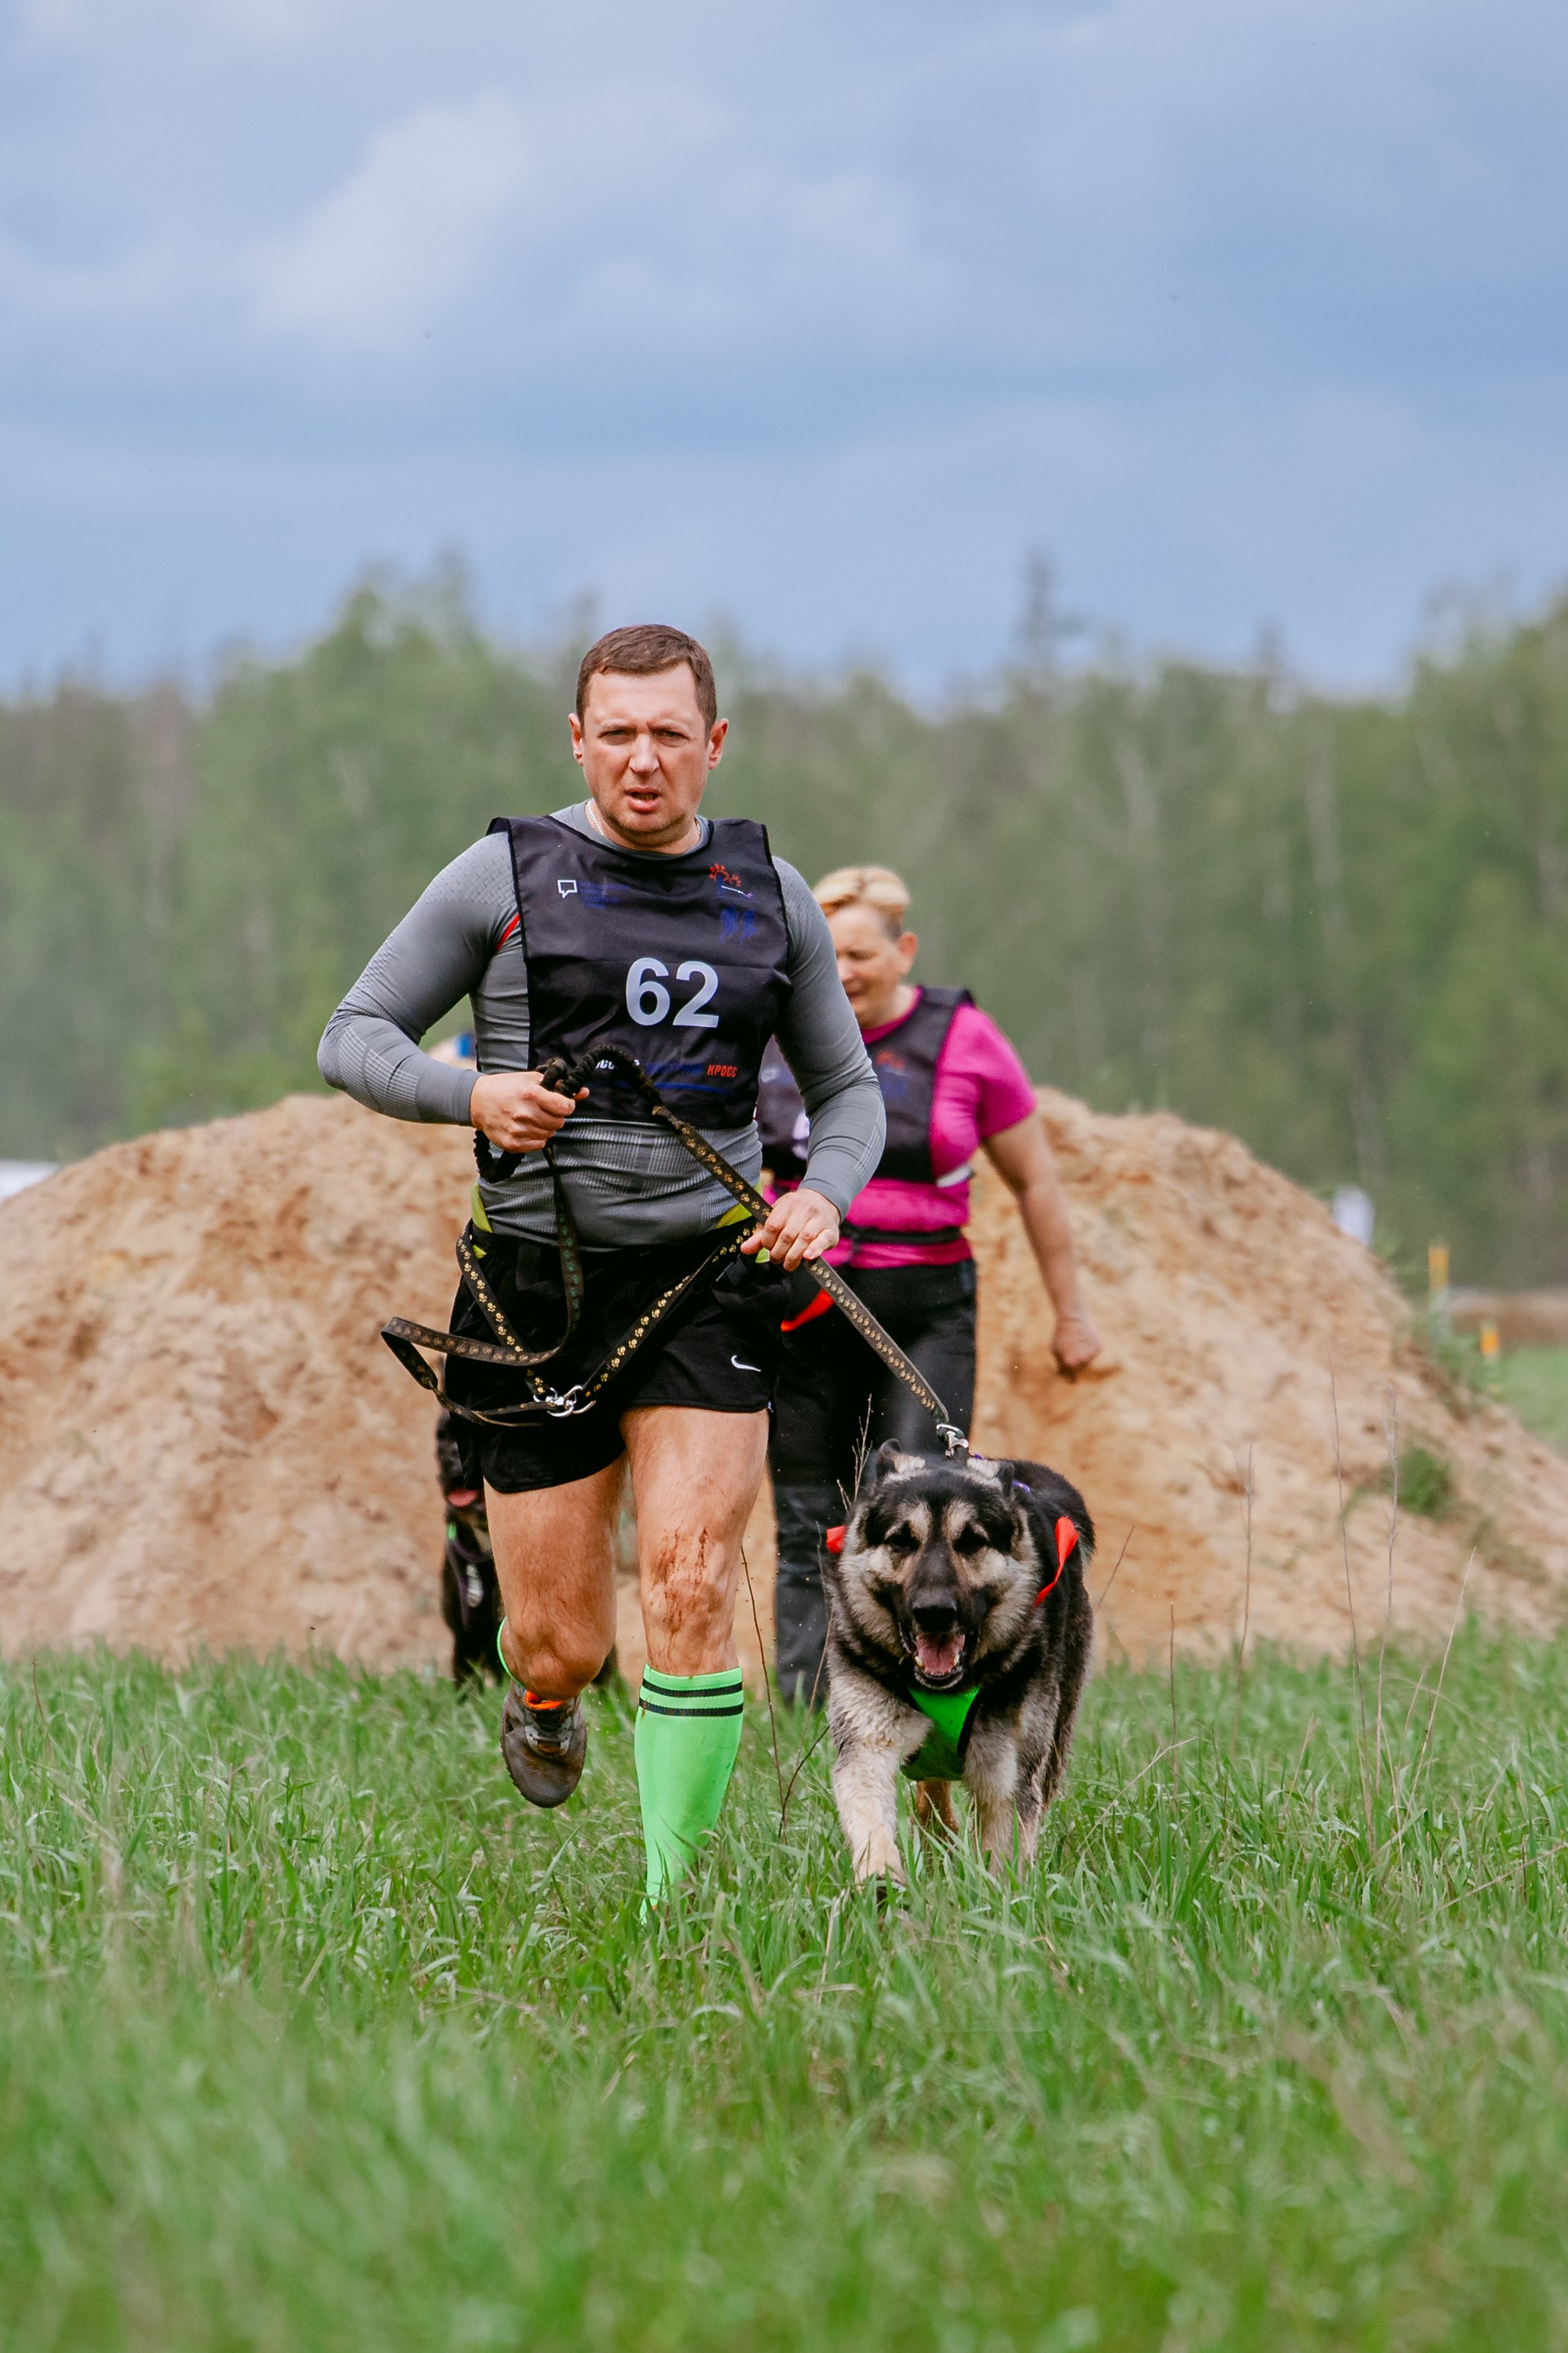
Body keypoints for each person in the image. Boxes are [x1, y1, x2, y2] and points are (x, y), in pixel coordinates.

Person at [318, 625, 883, 1902]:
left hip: (705, 1278)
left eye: (668, 734)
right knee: (561, 1637)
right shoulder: (499, 874)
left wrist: (823, 1199)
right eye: (616, 732)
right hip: (534, 1293)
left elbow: (848, 1091)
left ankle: (672, 1902)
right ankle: (545, 1695)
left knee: (688, 1580)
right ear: (578, 739)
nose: (642, 759)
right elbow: (351, 1035)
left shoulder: (773, 895)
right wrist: (466, 1097)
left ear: (713, 745)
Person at [760, 863, 1101, 1703]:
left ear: (902, 951)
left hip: (925, 1306)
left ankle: (939, 1689)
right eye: (825, 953)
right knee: (811, 1514)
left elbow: (1036, 1182)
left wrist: (1072, 1314)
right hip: (801, 1303)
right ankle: (817, 1705)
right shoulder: (770, 1032)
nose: (841, 972)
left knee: (923, 1495)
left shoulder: (964, 1039)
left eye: (860, 954)